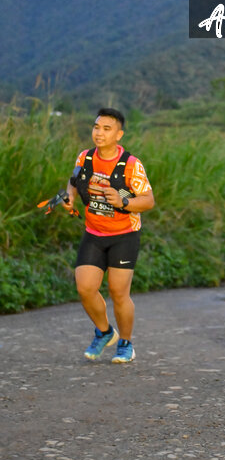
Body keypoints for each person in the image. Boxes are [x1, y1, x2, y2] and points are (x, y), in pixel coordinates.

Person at [64, 108, 155, 363]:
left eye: (107, 129)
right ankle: (104, 332)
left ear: (119, 134)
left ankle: (125, 343)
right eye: (96, 127)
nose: (99, 133)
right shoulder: (84, 157)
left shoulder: (131, 164)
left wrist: (124, 201)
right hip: (94, 233)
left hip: (124, 235)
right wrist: (69, 196)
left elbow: (148, 200)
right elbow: (74, 180)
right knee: (85, 288)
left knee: (118, 292)